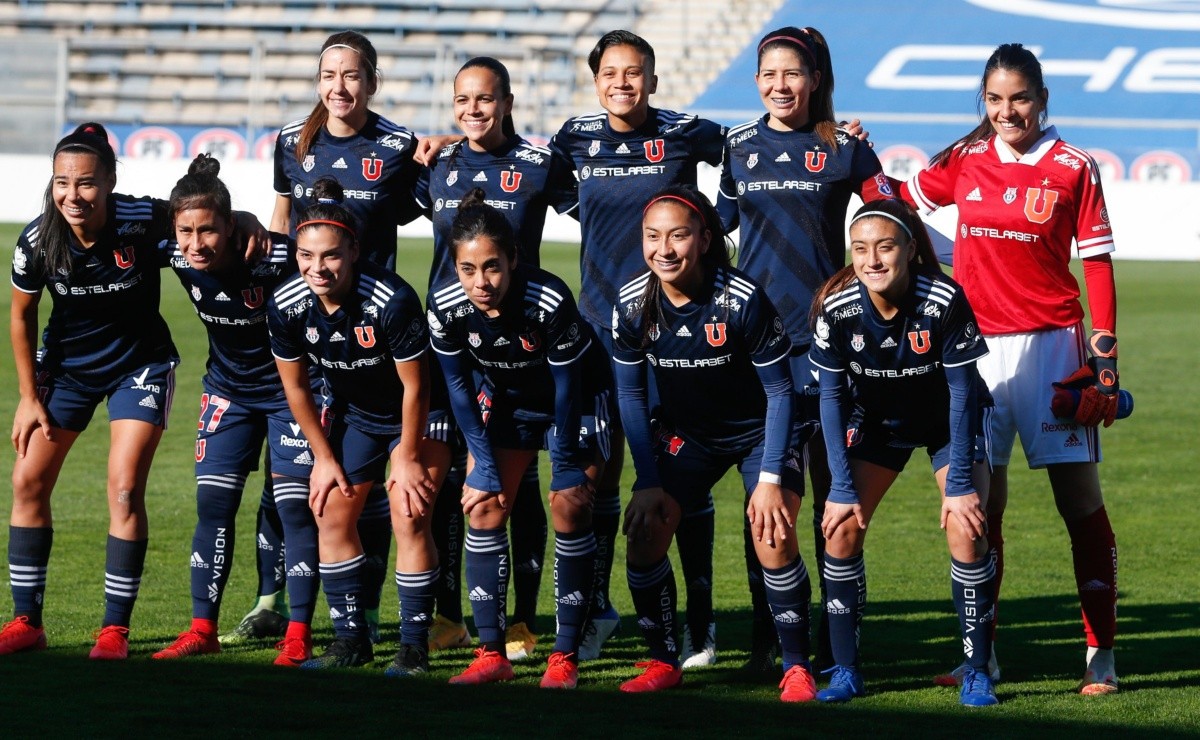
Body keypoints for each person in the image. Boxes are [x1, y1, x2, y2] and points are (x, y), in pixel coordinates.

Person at [900, 43, 1121, 695]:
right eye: (994, 99)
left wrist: (1103, 360)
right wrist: (943, 257)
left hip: (1054, 350)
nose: (1006, 111)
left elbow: (1100, 264)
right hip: (974, 354)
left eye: (1019, 98)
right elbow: (902, 205)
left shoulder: (1073, 166)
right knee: (977, 508)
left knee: (1079, 504)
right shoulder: (965, 160)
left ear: (1042, 98)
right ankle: (981, 658)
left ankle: (1101, 656)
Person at [717, 25, 895, 671]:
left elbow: (890, 219)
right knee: (763, 497)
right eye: (768, 74)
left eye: (791, 73)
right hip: (756, 349)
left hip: (829, 347)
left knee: (834, 494)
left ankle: (837, 643)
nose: (779, 85)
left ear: (814, 79)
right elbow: (717, 233)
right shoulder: (736, 147)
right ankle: (769, 638)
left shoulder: (845, 148)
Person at [240, 29, 425, 643]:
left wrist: (448, 149)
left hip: (372, 337)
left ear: (372, 82)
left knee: (361, 488)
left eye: (351, 76)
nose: (338, 87)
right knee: (289, 476)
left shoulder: (398, 146)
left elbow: (440, 207)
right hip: (308, 328)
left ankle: (364, 614)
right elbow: (280, 223)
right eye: (328, 76)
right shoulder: (293, 143)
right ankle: (273, 599)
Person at [549, 29, 727, 663]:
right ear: (595, 81)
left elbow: (748, 156)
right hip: (600, 326)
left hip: (673, 328)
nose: (622, 83)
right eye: (610, 74)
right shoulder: (574, 137)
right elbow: (548, 183)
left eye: (635, 73)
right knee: (599, 472)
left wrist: (710, 225)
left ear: (652, 79)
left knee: (684, 475)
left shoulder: (684, 131)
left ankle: (700, 620)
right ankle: (599, 608)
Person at [612, 186, 816, 701]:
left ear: (704, 238)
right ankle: (662, 660)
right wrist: (648, 481)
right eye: (652, 236)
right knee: (643, 531)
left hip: (760, 433)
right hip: (688, 436)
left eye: (678, 235)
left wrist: (770, 479)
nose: (664, 249)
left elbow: (779, 391)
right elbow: (631, 394)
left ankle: (796, 666)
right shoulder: (633, 302)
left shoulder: (742, 299)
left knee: (772, 534)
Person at [413, 56, 578, 662]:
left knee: (520, 488)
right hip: (450, 346)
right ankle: (451, 614)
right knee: (453, 482)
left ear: (507, 102)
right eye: (462, 101)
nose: (472, 111)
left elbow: (605, 210)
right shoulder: (435, 165)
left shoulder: (539, 166)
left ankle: (523, 622)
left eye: (484, 99)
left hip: (523, 348)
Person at [2, 122, 181, 660]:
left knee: (124, 488)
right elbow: (21, 315)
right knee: (27, 481)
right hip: (67, 369)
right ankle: (27, 622)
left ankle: (114, 632)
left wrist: (243, 221)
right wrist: (29, 396)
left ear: (110, 183)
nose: (71, 196)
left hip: (140, 365)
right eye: (61, 183)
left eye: (85, 184)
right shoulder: (37, 239)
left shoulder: (142, 219)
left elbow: (202, 217)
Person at [809, 199, 997, 706]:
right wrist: (841, 489)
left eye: (885, 247)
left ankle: (977, 670)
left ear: (911, 250)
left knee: (967, 528)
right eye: (861, 249)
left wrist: (958, 484)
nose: (872, 260)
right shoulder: (837, 307)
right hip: (876, 426)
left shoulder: (943, 298)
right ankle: (846, 671)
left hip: (946, 425)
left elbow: (962, 394)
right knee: (842, 527)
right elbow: (829, 397)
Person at [267, 178, 451, 673]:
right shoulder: (286, 303)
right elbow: (297, 389)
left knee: (408, 514)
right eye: (305, 255)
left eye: (329, 256)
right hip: (358, 418)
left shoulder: (391, 300)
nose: (316, 268)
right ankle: (351, 642)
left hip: (420, 416)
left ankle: (413, 648)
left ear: (354, 250)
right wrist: (324, 458)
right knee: (329, 510)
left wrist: (408, 457)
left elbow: (418, 388)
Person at [428, 189, 610, 689]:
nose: (481, 283)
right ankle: (491, 654)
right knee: (484, 505)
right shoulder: (444, 306)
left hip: (573, 401)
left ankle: (564, 656)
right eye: (468, 270)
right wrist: (483, 462)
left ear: (513, 258)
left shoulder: (547, 298)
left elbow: (570, 387)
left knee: (569, 505)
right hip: (511, 402)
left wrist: (568, 457)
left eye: (492, 267)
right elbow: (460, 388)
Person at [149, 154, 323, 666]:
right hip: (227, 391)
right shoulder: (177, 253)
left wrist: (253, 222)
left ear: (230, 226)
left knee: (294, 508)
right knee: (214, 507)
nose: (196, 244)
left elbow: (331, 258)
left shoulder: (274, 255)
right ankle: (201, 627)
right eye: (186, 231)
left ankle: (298, 634)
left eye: (209, 230)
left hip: (295, 393)